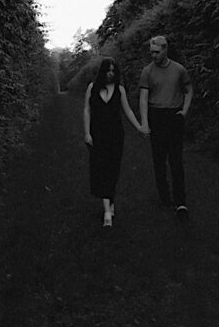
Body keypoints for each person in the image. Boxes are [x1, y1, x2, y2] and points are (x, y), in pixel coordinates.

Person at [83, 57, 147, 227]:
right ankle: (107, 213)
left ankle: (110, 202)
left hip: (115, 136)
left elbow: (128, 111)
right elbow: (87, 110)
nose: (110, 74)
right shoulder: (92, 88)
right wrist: (87, 132)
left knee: (112, 170)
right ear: (102, 71)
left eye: (113, 71)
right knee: (101, 170)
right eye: (108, 70)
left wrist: (139, 127)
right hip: (97, 135)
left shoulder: (120, 90)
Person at [139, 35, 193, 220]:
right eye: (151, 52)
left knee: (176, 159)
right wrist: (145, 123)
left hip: (174, 116)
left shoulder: (179, 70)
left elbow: (189, 89)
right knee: (159, 160)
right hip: (157, 116)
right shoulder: (147, 71)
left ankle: (180, 202)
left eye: (156, 52)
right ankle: (165, 197)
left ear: (165, 49)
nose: (153, 55)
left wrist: (184, 111)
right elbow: (144, 99)